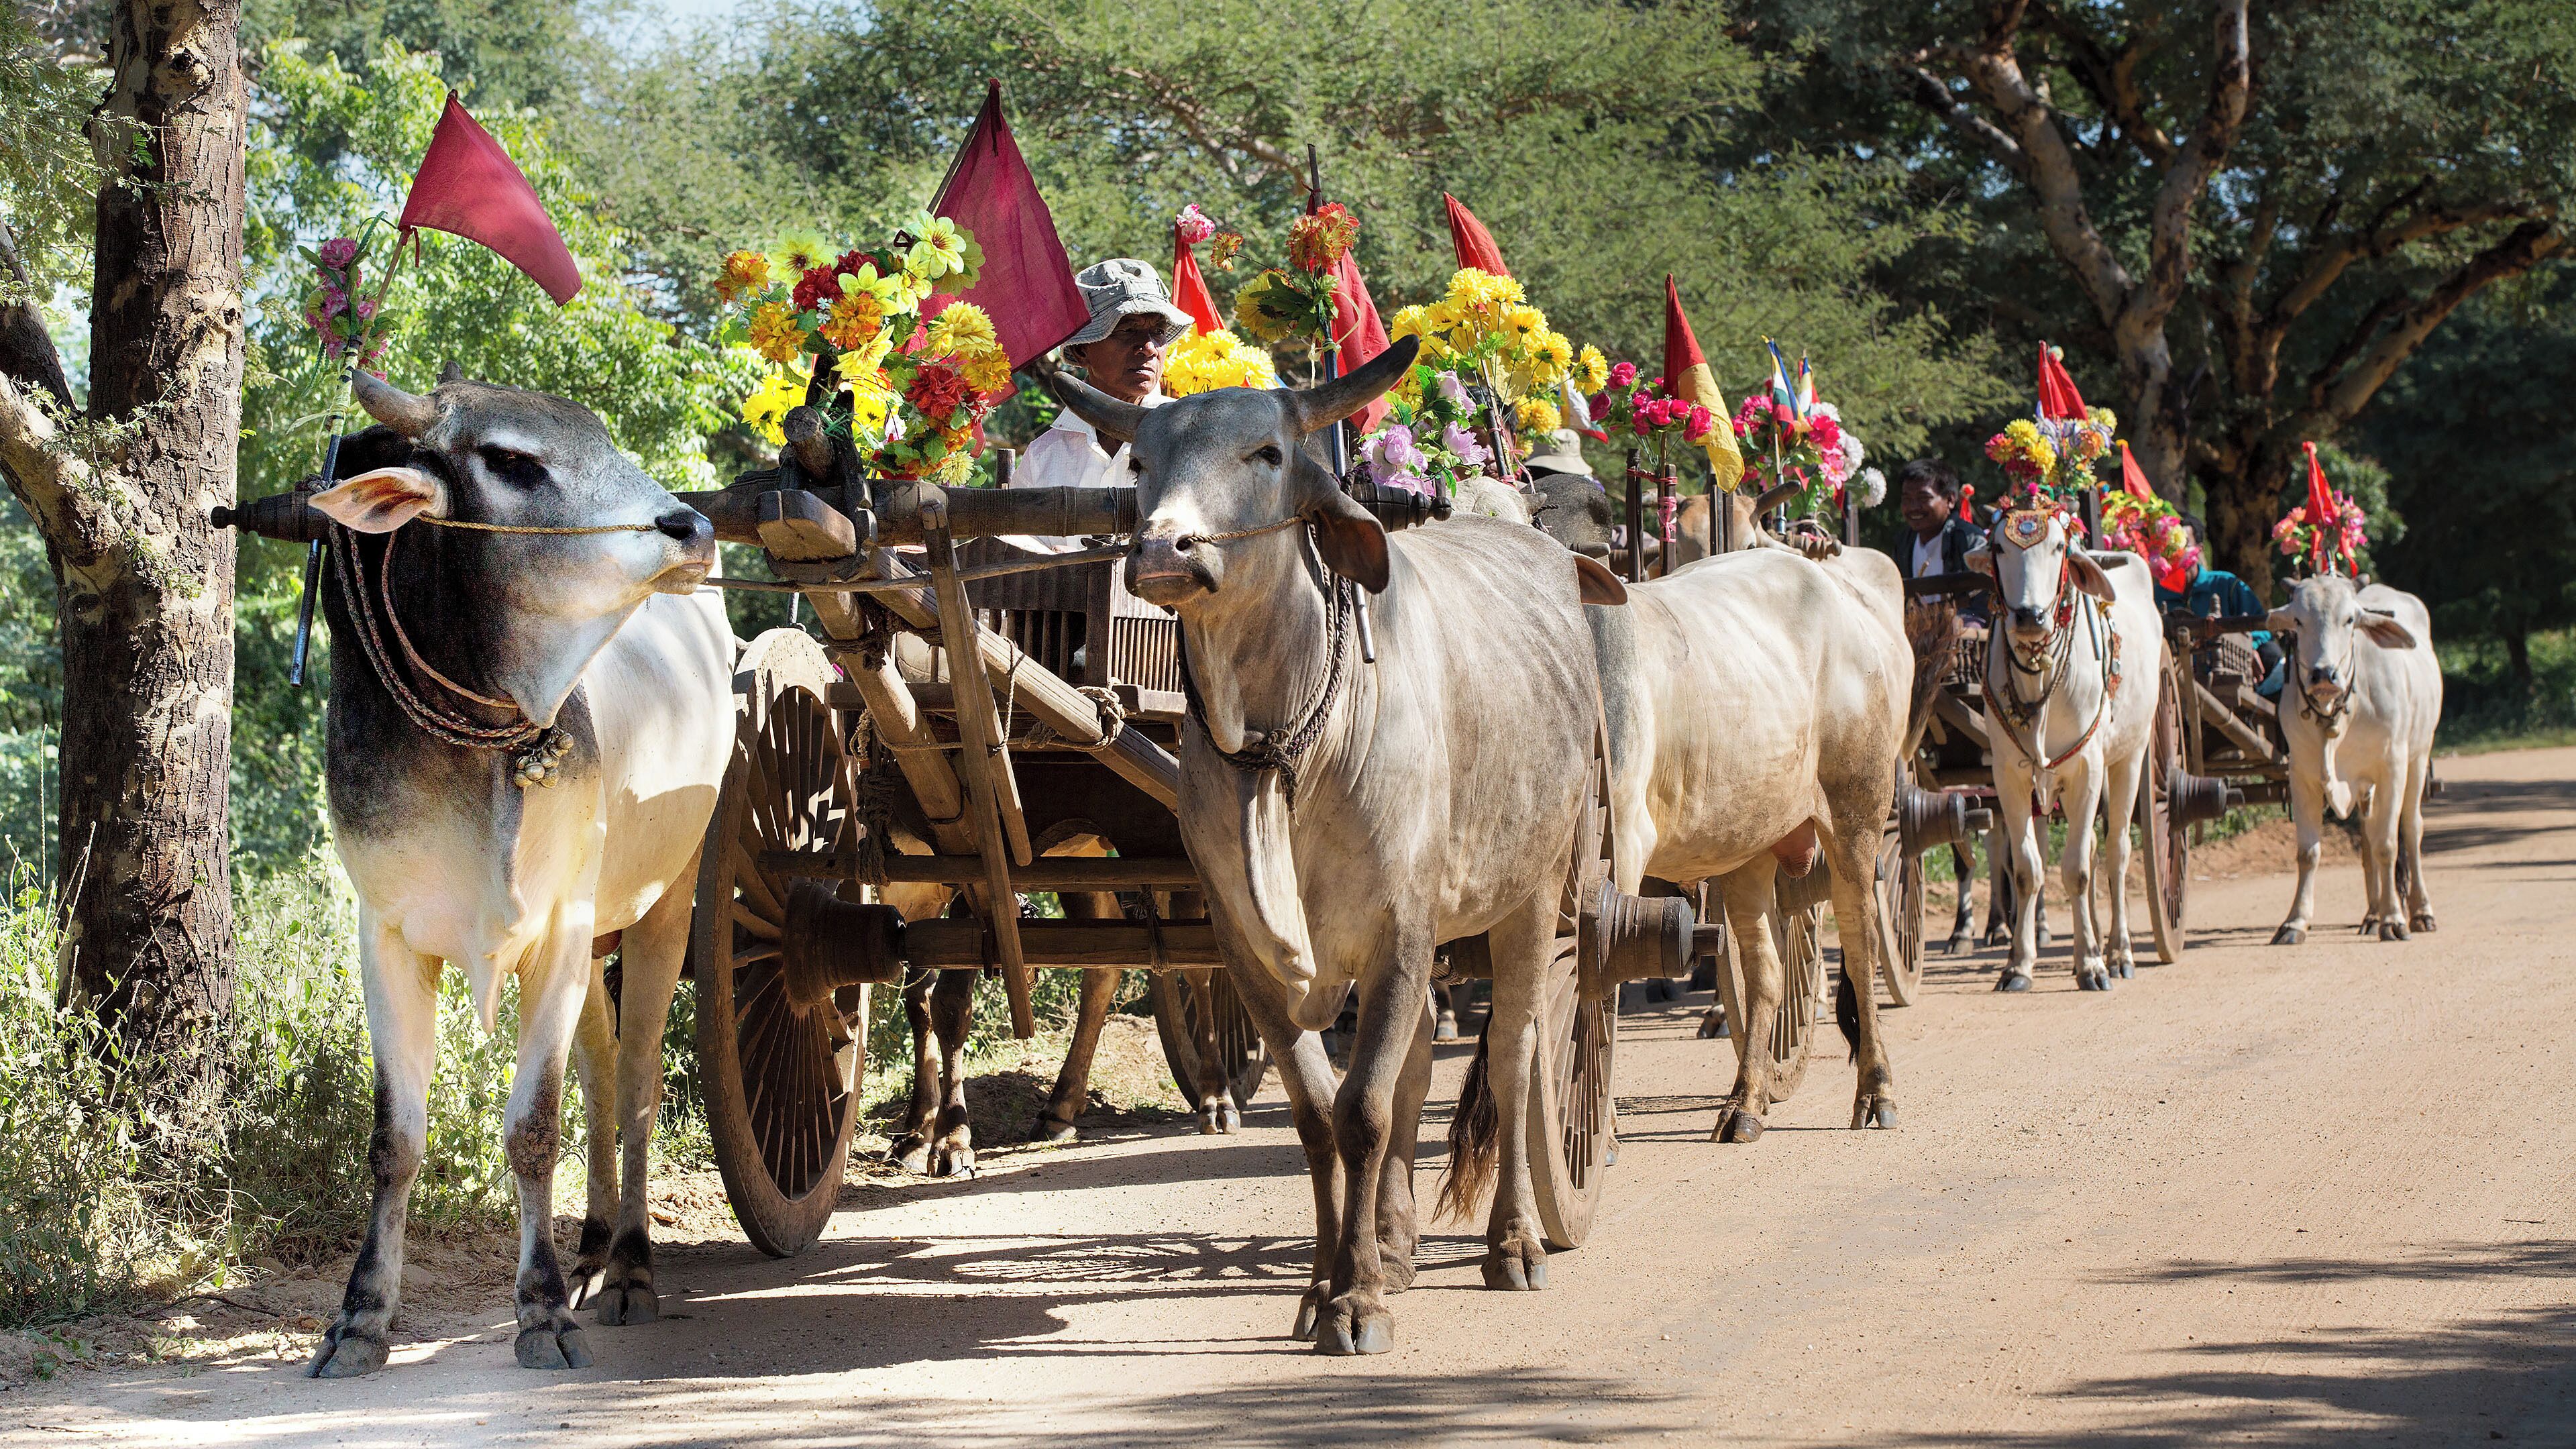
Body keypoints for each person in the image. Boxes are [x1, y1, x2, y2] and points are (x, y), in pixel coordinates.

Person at [2156, 514, 2284, 696]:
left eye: (2183, 545)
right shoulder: (2157, 595)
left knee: (2271, 654)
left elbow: (2262, 627)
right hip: (2172, 680)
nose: (2176, 553)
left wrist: (2252, 647)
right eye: (2169, 548)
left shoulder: (2226, 584)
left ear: (2199, 549)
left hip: (2227, 672)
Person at [1890, 458, 1988, 623]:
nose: (1914, 507)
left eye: (1923, 499)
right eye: (1907, 499)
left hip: (1960, 638)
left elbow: (1981, 601)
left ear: (1950, 500)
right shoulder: (1903, 543)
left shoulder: (1970, 540)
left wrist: (1970, 625)